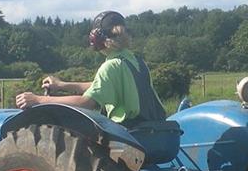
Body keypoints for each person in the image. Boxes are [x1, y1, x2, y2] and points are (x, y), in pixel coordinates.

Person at [15, 10, 165, 127]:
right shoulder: (135, 61)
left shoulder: (111, 66)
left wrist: (38, 100)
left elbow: (85, 103)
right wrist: (62, 85)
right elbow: (102, 86)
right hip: (150, 131)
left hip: (129, 133)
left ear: (97, 39)